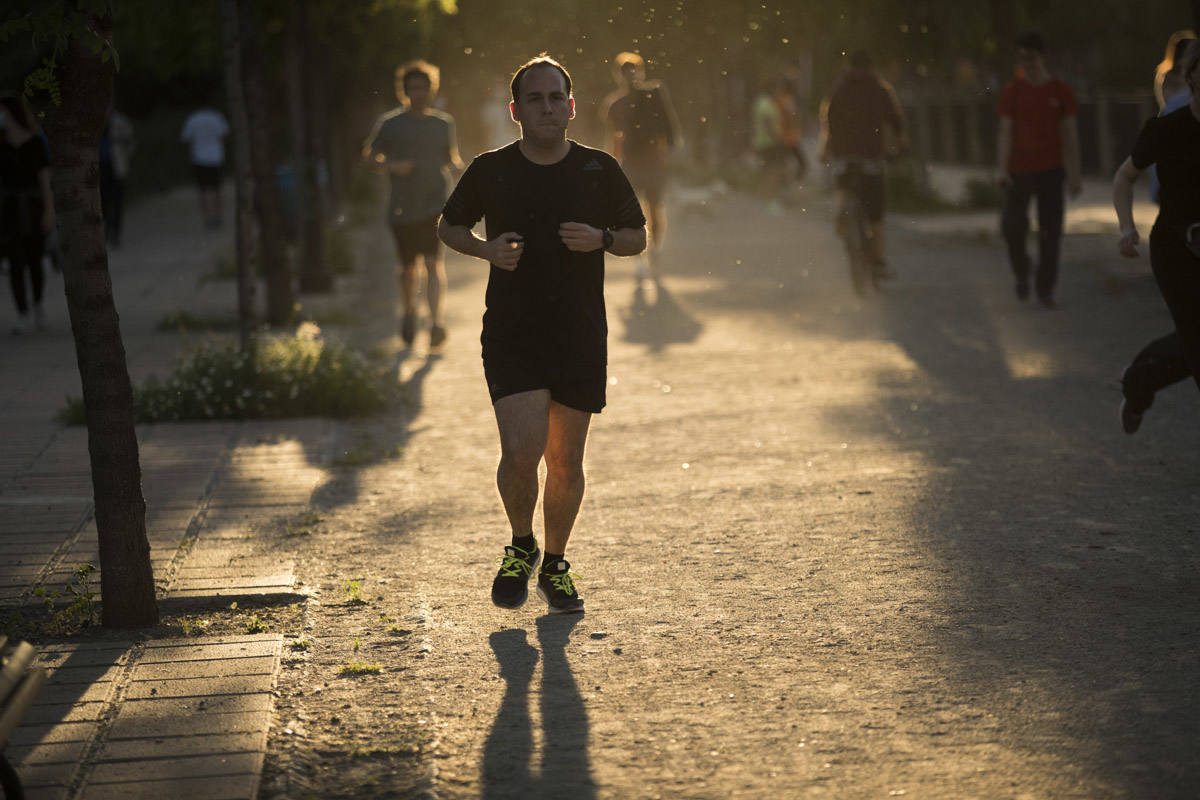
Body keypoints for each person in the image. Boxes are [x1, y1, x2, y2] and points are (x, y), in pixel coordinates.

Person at [438, 55, 647, 613]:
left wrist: (601, 239)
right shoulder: (490, 169)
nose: (547, 107)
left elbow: (636, 237)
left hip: (579, 333)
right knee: (520, 451)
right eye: (535, 99)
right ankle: (520, 544)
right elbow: (449, 224)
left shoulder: (599, 169)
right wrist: (485, 250)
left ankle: (555, 562)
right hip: (513, 331)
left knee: (565, 463)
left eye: (556, 98)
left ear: (572, 107)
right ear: (517, 111)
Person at [1113, 40, 1200, 432]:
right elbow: (1124, 177)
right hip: (1177, 249)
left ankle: (1141, 378)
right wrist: (1127, 228)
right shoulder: (1167, 128)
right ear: (1191, 76)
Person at [363, 60, 462, 347]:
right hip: (402, 207)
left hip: (435, 206)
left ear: (433, 89)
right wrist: (392, 166)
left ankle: (435, 323)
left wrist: (460, 169)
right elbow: (369, 156)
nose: (419, 93)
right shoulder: (391, 123)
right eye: (413, 88)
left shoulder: (444, 124)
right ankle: (408, 312)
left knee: (433, 263)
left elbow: (450, 158)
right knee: (408, 268)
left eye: (424, 87)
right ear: (403, 90)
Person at [996, 32, 1082, 308]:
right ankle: (1022, 270)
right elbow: (1005, 132)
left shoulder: (1060, 91)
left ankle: (1045, 287)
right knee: (1012, 227)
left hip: (1051, 170)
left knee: (1051, 231)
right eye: (1022, 58)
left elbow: (1070, 134)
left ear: (1042, 57)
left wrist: (1075, 174)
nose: (1027, 63)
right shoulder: (1013, 92)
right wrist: (1001, 169)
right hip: (1019, 171)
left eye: (1031, 57)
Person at [820, 50, 906, 277]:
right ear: (871, 67)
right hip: (871, 157)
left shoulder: (838, 90)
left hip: (843, 156)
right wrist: (901, 146)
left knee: (843, 187)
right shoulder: (880, 89)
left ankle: (841, 214)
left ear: (848, 67)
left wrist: (826, 151)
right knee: (876, 214)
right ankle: (878, 262)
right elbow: (897, 121)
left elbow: (828, 122)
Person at [602, 52, 679, 286]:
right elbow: (615, 137)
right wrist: (612, 166)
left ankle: (654, 250)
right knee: (634, 214)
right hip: (631, 165)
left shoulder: (653, 96)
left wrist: (666, 155)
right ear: (618, 75)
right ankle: (640, 255)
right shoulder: (615, 105)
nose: (630, 76)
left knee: (655, 208)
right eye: (626, 71)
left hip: (653, 162)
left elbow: (667, 128)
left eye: (634, 70)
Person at [0, 91, 55, 335]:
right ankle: (22, 312)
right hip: (7, 210)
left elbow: (45, 179)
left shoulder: (35, 143)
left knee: (34, 259)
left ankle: (38, 306)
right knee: (14, 261)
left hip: (32, 207)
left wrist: (49, 209)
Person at [180, 101, 229, 229]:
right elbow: (224, 134)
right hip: (216, 157)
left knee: (203, 189)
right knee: (217, 188)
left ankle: (208, 217)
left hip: (200, 158)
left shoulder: (193, 119)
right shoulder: (216, 117)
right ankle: (218, 215)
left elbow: (186, 138)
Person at [99, 104, 135, 247]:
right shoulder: (92, 121)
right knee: (103, 202)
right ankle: (106, 231)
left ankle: (115, 233)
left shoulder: (120, 121)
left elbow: (130, 141)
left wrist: (125, 158)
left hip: (117, 166)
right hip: (99, 167)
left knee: (117, 202)